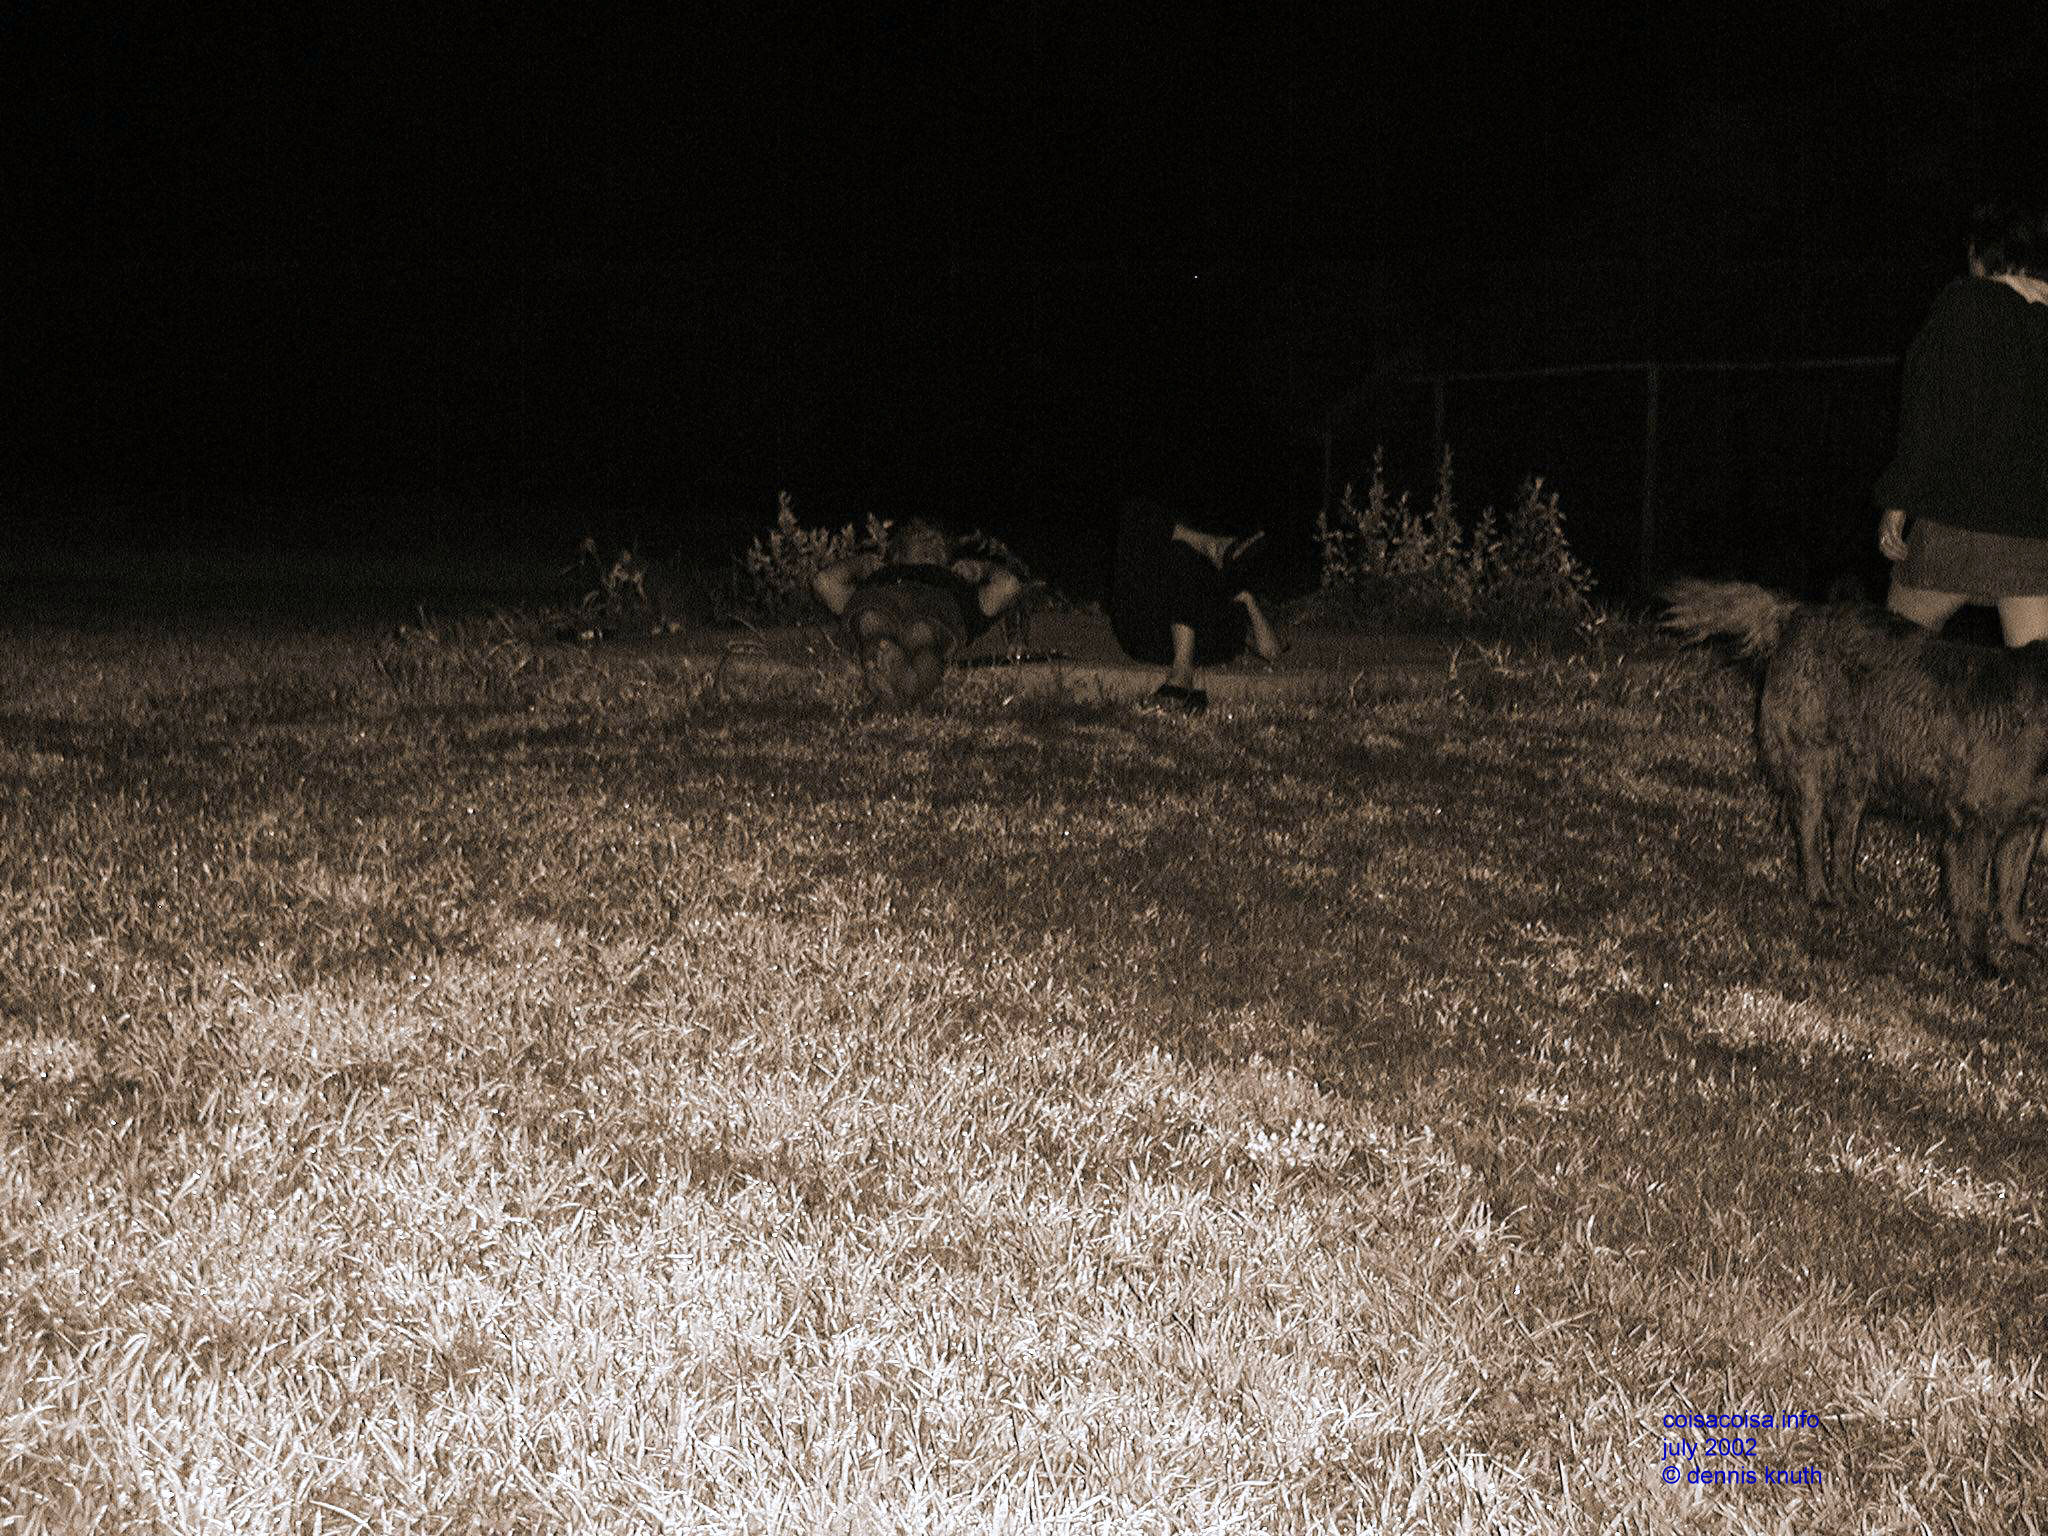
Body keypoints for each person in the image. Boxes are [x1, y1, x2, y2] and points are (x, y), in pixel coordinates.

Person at [1877, 197, 2048, 644]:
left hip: (1950, 526)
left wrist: (1898, 503)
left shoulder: (1959, 305)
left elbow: (1926, 411)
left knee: (1894, 666)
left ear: (1977, 254)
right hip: (2028, 537)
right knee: (2035, 690)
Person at [812, 518, 1025, 703]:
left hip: (934, 613)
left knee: (923, 636)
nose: (928, 543)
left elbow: (1009, 585)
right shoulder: (882, 575)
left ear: (948, 556)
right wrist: (861, 564)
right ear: (898, 553)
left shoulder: (957, 582)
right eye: (917, 537)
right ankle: (892, 681)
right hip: (879, 604)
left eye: (936, 542)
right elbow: (824, 582)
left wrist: (980, 569)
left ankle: (899, 687)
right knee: (872, 624)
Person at [1109, 498, 1285, 713]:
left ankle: (1182, 673)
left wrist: (1249, 601)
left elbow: (1271, 652)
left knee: (1181, 553)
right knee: (1138, 513)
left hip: (1197, 648)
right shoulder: (1186, 577)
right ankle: (1210, 545)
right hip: (1147, 636)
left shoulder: (1229, 594)